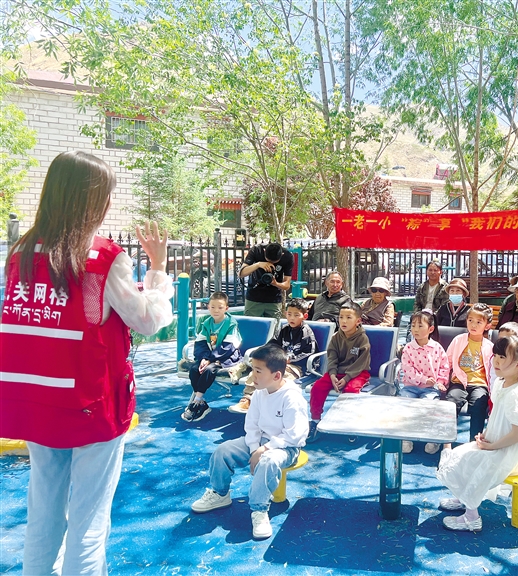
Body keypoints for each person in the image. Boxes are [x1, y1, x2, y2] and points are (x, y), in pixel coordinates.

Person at [0, 151, 174, 575]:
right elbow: (147, 320)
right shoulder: (101, 257)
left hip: (37, 398)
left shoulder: (21, 252)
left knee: (43, 506)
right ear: (94, 200)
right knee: (89, 518)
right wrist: (158, 271)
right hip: (91, 401)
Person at [190, 346, 308, 540]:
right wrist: (255, 449)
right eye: (252, 369)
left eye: (258, 371)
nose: (252, 375)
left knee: (269, 461)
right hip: (260, 441)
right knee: (223, 451)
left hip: (287, 446)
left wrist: (264, 449)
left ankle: (259, 509)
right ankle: (220, 494)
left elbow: (295, 435)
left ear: (277, 376)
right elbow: (251, 426)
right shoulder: (259, 393)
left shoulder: (292, 397)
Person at [436, 335, 518, 532]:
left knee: (473, 461)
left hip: (512, 451)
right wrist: (486, 436)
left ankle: (472, 517)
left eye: (503, 357)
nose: (496, 361)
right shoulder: (501, 383)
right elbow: (498, 418)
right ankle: (463, 498)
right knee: (459, 454)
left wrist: (491, 446)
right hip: (497, 443)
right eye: (496, 355)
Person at [229, 298, 317, 414]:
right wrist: (264, 353)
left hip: (296, 367)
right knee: (258, 369)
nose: (292, 318)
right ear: (285, 314)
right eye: (289, 314)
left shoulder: (306, 333)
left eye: (296, 315)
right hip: (278, 362)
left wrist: (291, 359)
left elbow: (309, 352)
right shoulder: (283, 330)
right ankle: (247, 399)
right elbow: (272, 344)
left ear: (304, 316)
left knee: (278, 376)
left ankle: (263, 403)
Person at [307, 302, 371, 442]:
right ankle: (315, 420)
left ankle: (350, 424)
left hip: (358, 373)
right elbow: (332, 356)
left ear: (358, 321)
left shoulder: (362, 339)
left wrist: (347, 378)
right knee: (317, 387)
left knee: (351, 391)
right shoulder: (336, 337)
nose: (344, 321)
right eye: (341, 317)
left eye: (348, 317)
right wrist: (332, 374)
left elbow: (361, 362)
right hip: (337, 373)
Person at [182, 291, 243, 422]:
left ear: (226, 308)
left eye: (220, 307)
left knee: (209, 370)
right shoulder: (207, 323)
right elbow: (200, 343)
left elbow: (228, 347)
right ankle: (201, 403)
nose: (216, 310)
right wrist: (204, 358)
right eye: (213, 307)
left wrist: (210, 359)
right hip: (210, 356)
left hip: (227, 357)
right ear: (208, 307)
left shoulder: (231, 324)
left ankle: (196, 401)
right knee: (194, 369)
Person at [399, 309, 450, 454]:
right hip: (410, 387)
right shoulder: (408, 348)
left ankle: (432, 438)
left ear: (430, 329)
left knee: (429, 406)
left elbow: (444, 366)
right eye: (413, 325)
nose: (415, 329)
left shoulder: (437, 348)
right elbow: (408, 369)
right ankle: (405, 438)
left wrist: (440, 382)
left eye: (420, 326)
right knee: (404, 404)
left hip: (430, 389)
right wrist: (424, 379)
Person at [444, 303, 495, 442]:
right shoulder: (458, 340)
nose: (473, 325)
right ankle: (445, 441)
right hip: (459, 382)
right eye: (470, 320)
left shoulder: (490, 347)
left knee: (479, 405)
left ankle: (474, 442)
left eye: (479, 322)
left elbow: (493, 370)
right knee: (451, 402)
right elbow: (447, 362)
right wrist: (442, 381)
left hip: (479, 384)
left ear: (487, 326)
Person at [239, 242, 293, 328]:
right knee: (251, 328)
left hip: (274, 299)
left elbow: (287, 285)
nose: (270, 263)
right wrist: (258, 264)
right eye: (268, 260)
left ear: (282, 255)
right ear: (264, 251)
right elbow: (241, 273)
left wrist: (276, 283)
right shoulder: (256, 250)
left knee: (274, 330)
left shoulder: (287, 256)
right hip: (254, 297)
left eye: (274, 262)